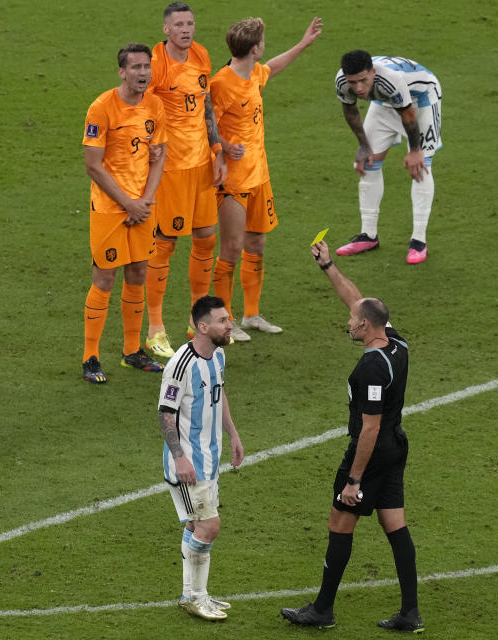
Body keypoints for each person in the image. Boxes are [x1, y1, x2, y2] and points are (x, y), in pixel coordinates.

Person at [280, 240, 423, 632]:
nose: (348, 322)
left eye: (353, 321)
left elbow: (370, 428)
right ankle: (410, 613)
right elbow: (356, 299)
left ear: (366, 326)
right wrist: (328, 267)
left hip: (373, 451)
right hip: (396, 446)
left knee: (340, 522)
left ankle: (322, 610)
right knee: (395, 524)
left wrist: (354, 480)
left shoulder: (371, 370)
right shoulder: (396, 342)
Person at [211, 16, 322, 340]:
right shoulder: (222, 83)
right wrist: (226, 146)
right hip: (232, 181)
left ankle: (252, 314)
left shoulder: (254, 73)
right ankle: (225, 319)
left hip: (259, 175)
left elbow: (271, 69)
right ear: (255, 47)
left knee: (256, 244)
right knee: (231, 249)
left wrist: (302, 45)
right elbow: (206, 126)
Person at [143, 2, 226, 360]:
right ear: (166, 30)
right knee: (165, 243)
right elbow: (143, 111)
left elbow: (206, 104)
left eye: (190, 23)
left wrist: (218, 148)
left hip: (202, 165)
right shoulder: (156, 64)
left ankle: (198, 322)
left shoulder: (201, 55)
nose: (186, 29)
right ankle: (155, 330)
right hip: (172, 168)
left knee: (206, 238)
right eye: (178, 24)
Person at [81, 43, 168, 384]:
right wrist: (128, 204)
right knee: (105, 278)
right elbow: (93, 166)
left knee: (138, 272)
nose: (143, 73)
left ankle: (133, 350)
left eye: (146, 66)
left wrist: (145, 200)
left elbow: (159, 155)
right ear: (121, 71)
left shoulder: (155, 106)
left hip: (143, 208)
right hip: (109, 208)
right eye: (135, 67)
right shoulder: (102, 108)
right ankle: (90, 357)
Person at [158, 295, 244, 620]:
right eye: (223, 320)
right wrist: (179, 458)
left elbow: (219, 396)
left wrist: (233, 434)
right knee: (209, 527)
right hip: (188, 466)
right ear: (202, 326)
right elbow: (165, 414)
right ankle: (197, 597)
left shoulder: (218, 355)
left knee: (196, 525)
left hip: (210, 460)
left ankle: (191, 595)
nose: (230, 323)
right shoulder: (180, 366)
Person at [333, 52, 442, 264]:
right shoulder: (342, 81)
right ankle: (368, 236)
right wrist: (364, 146)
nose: (359, 88)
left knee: (421, 165)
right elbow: (350, 110)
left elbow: (408, 114)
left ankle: (419, 241)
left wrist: (415, 150)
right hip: (385, 100)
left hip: (422, 98)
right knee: (366, 161)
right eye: (353, 82)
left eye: (364, 80)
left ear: (373, 72)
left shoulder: (391, 79)